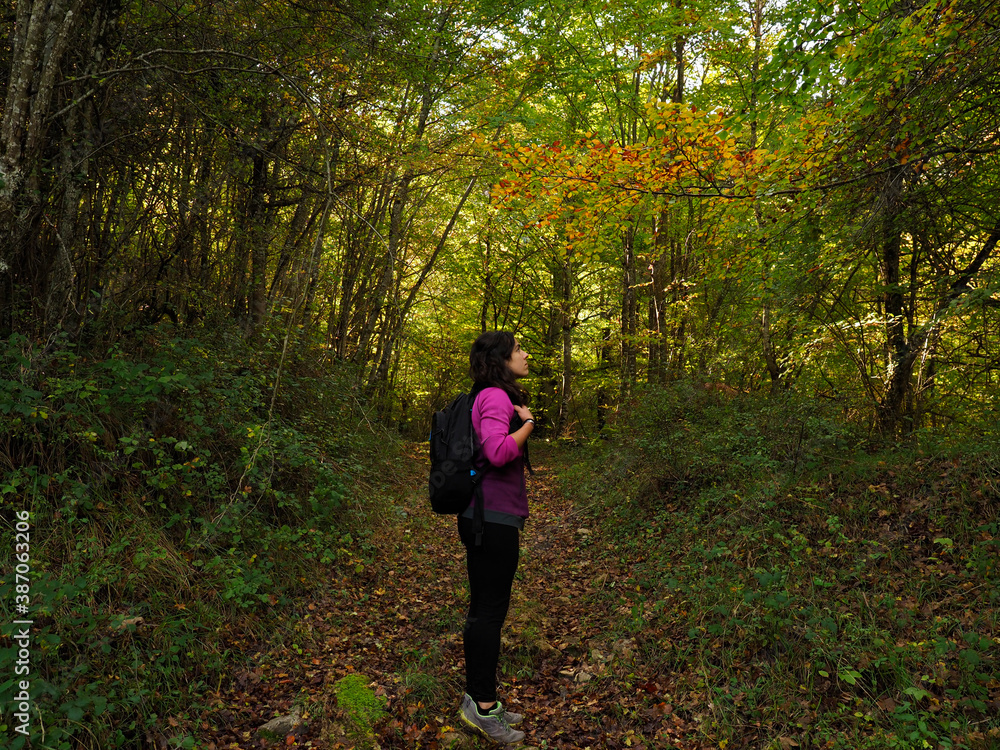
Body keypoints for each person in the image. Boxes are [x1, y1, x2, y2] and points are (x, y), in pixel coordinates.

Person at [457, 330, 534, 744]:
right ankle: (482, 707)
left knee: (485, 610)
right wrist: (528, 424)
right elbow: (497, 452)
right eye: (518, 349)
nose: (525, 354)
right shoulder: (495, 397)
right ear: (501, 359)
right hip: (491, 519)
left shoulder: (490, 395)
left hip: (488, 517)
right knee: (488, 612)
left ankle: (480, 698)